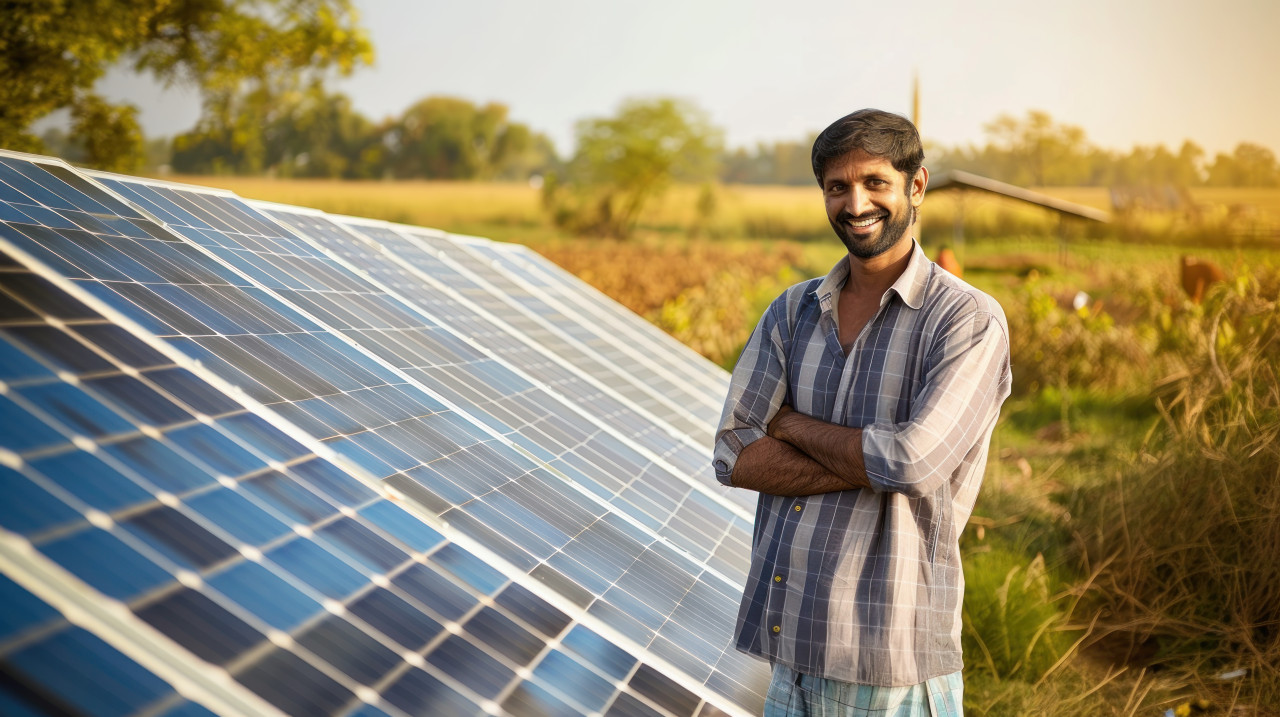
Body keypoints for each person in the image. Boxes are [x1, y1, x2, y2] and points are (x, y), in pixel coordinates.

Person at [713, 109, 1011, 716]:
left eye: (875, 182)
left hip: (889, 668)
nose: (856, 203)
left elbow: (912, 461)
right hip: (789, 655)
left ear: (916, 186)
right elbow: (734, 454)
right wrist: (876, 458)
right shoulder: (791, 312)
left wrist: (791, 425)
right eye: (837, 186)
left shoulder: (966, 320)